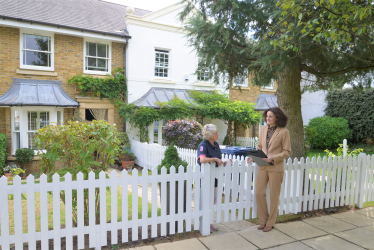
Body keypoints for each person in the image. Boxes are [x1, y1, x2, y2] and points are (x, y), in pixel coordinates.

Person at [247, 107, 291, 232]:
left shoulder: (284, 132)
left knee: (274, 196)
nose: (268, 118)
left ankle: (270, 222)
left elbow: (287, 151)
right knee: (258, 192)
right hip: (262, 165)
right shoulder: (263, 129)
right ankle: (263, 220)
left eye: (270, 116)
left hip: (276, 167)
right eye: (267, 116)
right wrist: (254, 157)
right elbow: (260, 146)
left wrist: (273, 158)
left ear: (277, 117)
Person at [197, 124, 231, 232]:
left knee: (213, 201)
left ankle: (209, 223)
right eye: (215, 133)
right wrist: (214, 159)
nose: (218, 134)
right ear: (210, 135)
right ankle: (204, 224)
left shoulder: (216, 144)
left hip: (215, 178)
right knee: (206, 201)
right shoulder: (203, 145)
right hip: (206, 178)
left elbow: (217, 161)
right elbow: (202, 159)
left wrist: (224, 162)